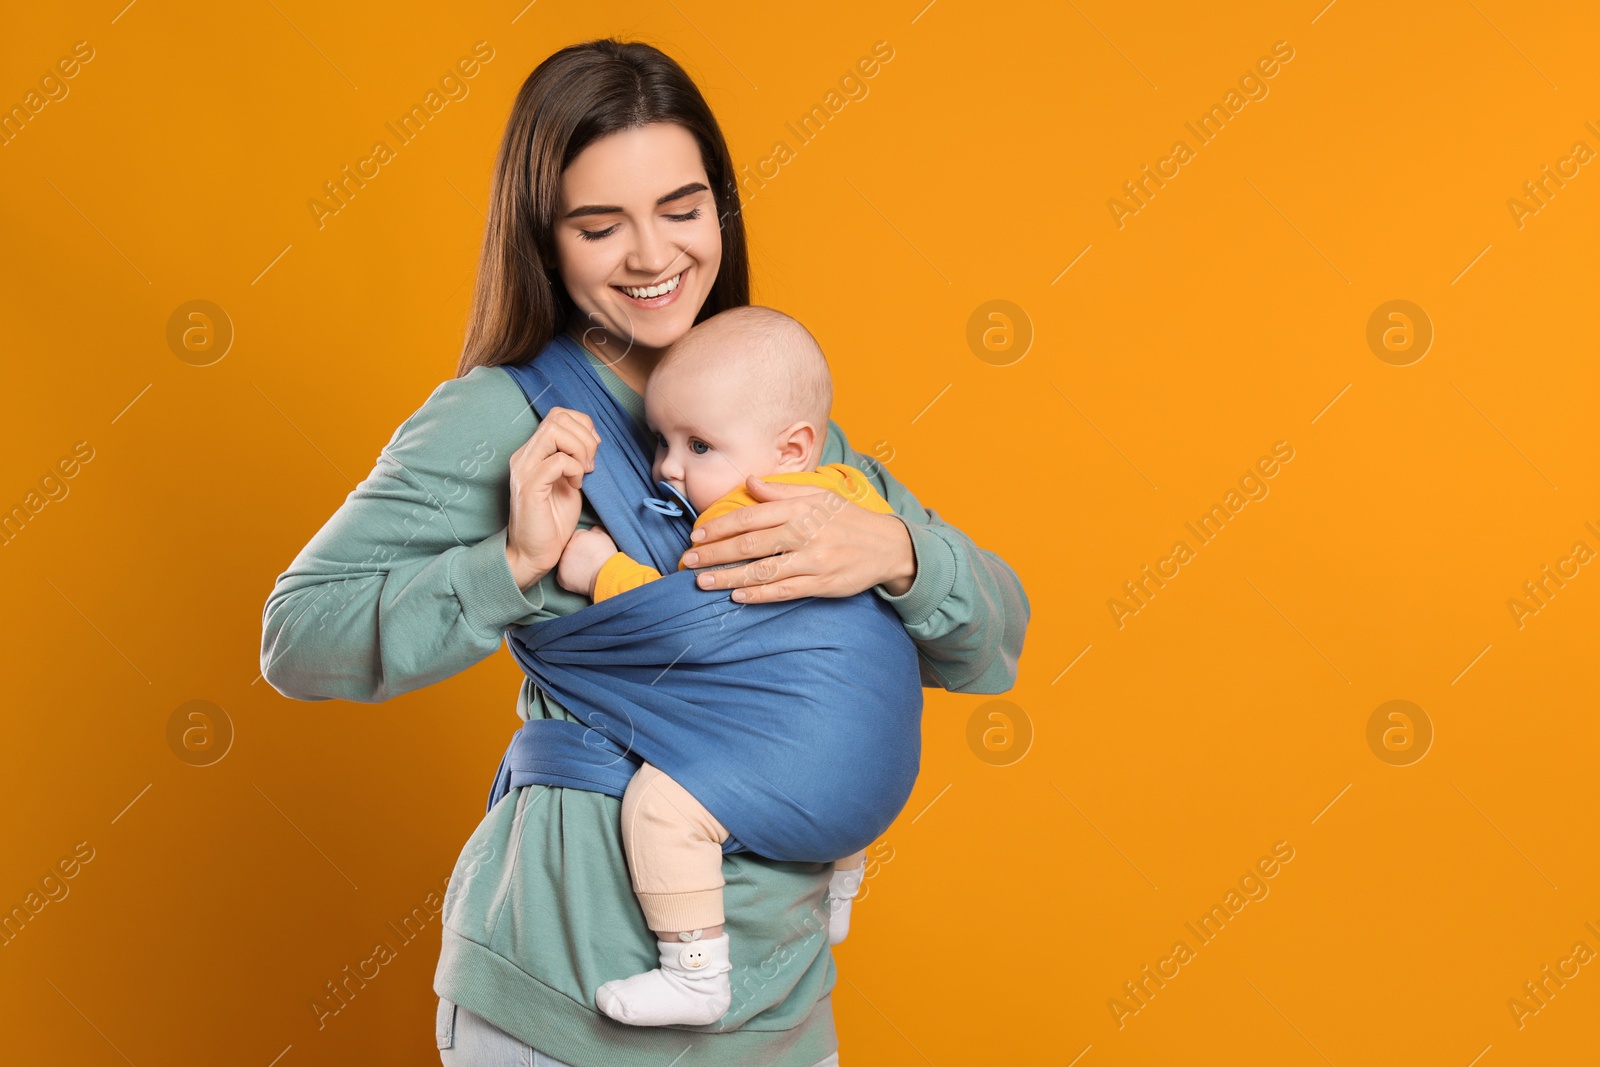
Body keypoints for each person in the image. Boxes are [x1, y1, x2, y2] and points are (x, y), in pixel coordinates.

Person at [259, 38, 1029, 1067]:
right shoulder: (501, 419)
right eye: (598, 223)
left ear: (721, 208)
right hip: (559, 992)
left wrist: (894, 548)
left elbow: (992, 643)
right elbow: (295, 638)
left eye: (681, 207)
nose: (654, 256)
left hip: (777, 1003)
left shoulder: (775, 418)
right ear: (544, 234)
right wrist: (510, 563)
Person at [552, 305, 903, 1027]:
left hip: (804, 776)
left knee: (660, 804)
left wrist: (599, 571)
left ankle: (693, 973)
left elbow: (692, 622)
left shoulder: (744, 518)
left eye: (699, 445)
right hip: (880, 777)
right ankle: (838, 894)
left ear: (793, 448)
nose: (668, 466)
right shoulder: (858, 500)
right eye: (662, 439)